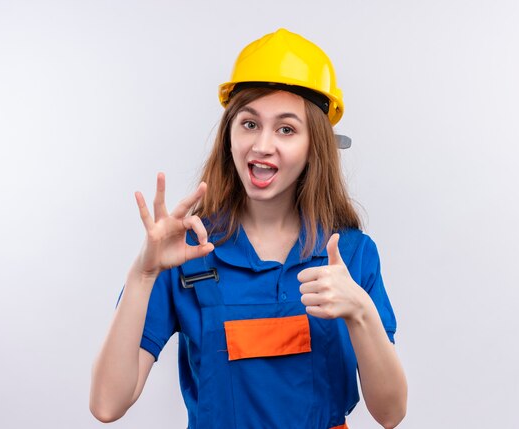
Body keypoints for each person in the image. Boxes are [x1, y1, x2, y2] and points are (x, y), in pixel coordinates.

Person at [90, 28, 407, 429]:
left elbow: (391, 413)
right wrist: (143, 275)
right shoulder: (188, 251)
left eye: (287, 129)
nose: (263, 145)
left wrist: (361, 312)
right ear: (229, 136)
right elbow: (107, 404)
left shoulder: (351, 255)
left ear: (316, 146)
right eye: (250, 124)